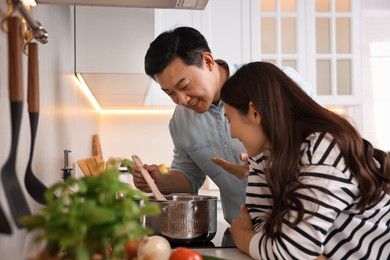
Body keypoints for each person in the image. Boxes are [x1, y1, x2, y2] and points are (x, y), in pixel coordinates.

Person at [133, 26, 319, 224]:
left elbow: (322, 147)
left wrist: (266, 164)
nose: (182, 100)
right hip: (243, 233)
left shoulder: (273, 85)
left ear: (207, 61)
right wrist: (160, 182)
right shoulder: (181, 121)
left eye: (184, 86)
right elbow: (188, 175)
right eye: (170, 93)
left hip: (302, 226)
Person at [220, 61, 390, 259]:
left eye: (229, 119)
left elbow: (291, 252)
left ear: (254, 112)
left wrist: (242, 238)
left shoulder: (323, 149)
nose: (231, 133)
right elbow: (261, 222)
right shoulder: (264, 155)